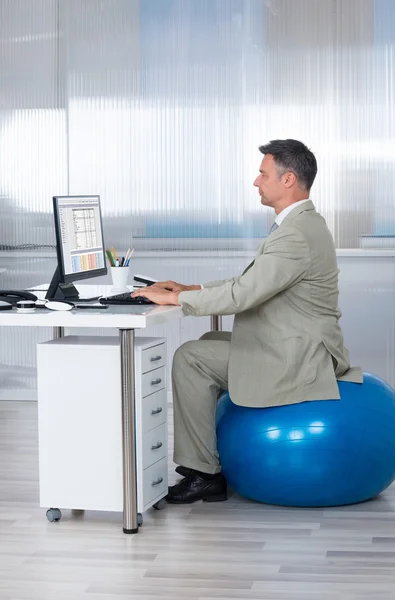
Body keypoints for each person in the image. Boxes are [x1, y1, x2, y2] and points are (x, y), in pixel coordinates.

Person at [131, 139, 363, 504]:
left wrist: (177, 299)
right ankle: (214, 453)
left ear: (288, 180)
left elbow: (244, 295)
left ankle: (203, 473)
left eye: (262, 173)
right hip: (294, 342)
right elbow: (251, 283)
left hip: (299, 358)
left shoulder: (296, 234)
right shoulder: (299, 224)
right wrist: (193, 287)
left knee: (191, 357)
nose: (256, 182)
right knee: (210, 340)